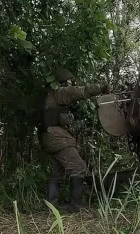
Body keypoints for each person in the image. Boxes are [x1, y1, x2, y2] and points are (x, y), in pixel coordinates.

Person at [38, 68, 110, 213]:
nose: (71, 84)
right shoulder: (60, 92)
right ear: (64, 82)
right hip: (58, 138)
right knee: (79, 168)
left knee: (56, 174)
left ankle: (52, 207)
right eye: (70, 82)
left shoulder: (47, 96)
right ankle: (75, 206)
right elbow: (81, 91)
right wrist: (101, 88)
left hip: (47, 137)